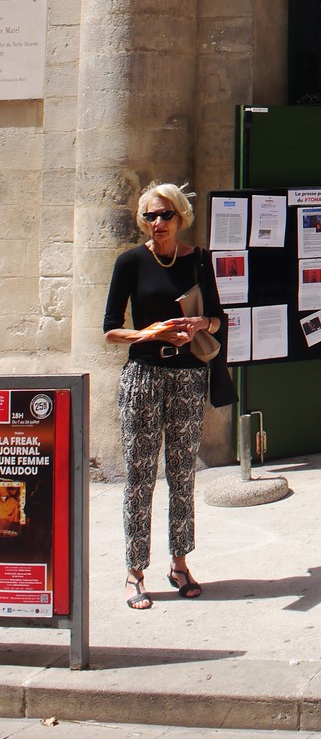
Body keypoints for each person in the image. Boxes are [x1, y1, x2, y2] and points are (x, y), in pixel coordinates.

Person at [103, 182, 224, 611]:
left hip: (188, 376)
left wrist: (200, 324)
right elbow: (110, 329)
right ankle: (135, 571)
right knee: (139, 475)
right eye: (151, 216)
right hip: (143, 376)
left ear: (180, 217)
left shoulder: (199, 260)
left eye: (166, 214)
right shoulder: (130, 262)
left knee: (182, 474)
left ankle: (179, 564)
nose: (158, 222)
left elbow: (218, 318)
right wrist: (150, 333)